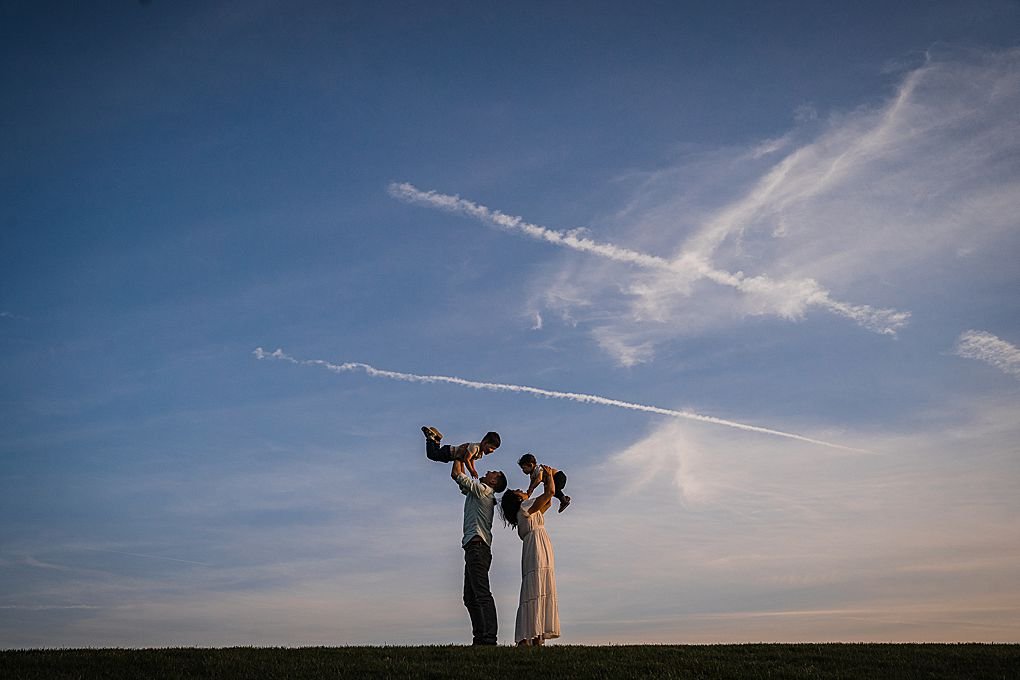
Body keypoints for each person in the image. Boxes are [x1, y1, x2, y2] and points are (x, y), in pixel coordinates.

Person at [499, 472, 560, 647]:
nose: (522, 490)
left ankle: (534, 636)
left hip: (538, 544)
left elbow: (547, 501)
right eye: (519, 490)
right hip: (537, 545)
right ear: (518, 498)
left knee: (537, 586)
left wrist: (546, 481)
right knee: (538, 585)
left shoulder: (528, 510)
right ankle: (531, 637)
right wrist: (548, 475)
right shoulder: (525, 506)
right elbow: (550, 494)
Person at [452, 456, 507, 646]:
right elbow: (459, 477)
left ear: (494, 481)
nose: (489, 471)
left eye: (494, 472)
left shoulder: (483, 491)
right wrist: (460, 456)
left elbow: (457, 474)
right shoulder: (478, 492)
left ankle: (489, 639)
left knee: (481, 594)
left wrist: (458, 453)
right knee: (470, 597)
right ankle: (480, 638)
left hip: (477, 548)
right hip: (474, 548)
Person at [423, 426, 501, 478]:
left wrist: (473, 469)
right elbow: (467, 459)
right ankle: (431, 438)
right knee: (432, 455)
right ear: (485, 442)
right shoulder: (475, 447)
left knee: (435, 454)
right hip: (449, 452)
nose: (492, 451)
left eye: (494, 449)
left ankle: (436, 439)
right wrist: (471, 471)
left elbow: (471, 460)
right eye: (491, 447)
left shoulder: (479, 453)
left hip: (450, 454)